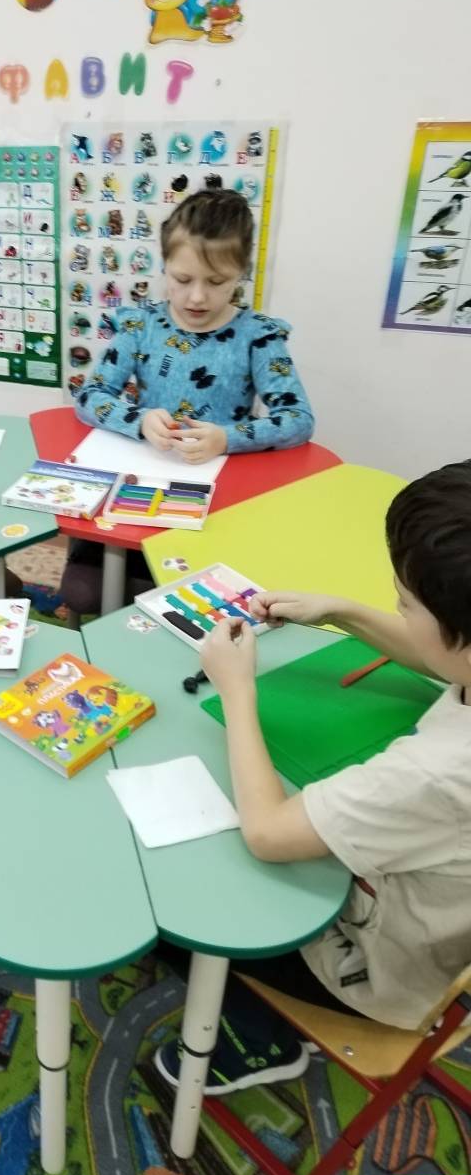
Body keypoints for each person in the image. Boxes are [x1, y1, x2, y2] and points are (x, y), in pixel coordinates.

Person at [154, 460, 471, 1093]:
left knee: (166, 908)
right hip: (434, 915)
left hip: (377, 973)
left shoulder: (439, 773)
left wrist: (236, 689)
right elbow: (448, 658)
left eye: (404, 603)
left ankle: (260, 1040)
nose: (396, 607)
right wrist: (343, 612)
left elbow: (269, 834)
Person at [60, 189, 314, 615]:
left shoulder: (258, 337)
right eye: (182, 280)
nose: (197, 297)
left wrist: (226, 438)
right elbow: (89, 396)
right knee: (86, 592)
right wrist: (139, 420)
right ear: (164, 266)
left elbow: (298, 419)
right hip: (138, 493)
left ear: (242, 273)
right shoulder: (140, 325)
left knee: (196, 601)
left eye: (216, 282)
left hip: (217, 504)